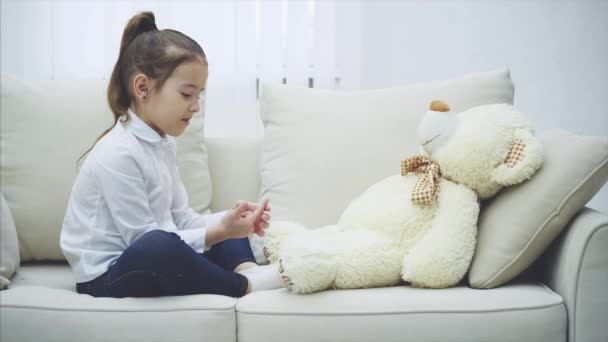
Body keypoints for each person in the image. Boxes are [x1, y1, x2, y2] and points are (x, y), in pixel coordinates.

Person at [60, 11, 283, 298]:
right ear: (143, 87)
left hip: (155, 251)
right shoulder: (118, 154)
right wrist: (216, 232)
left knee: (222, 221)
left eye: (199, 95)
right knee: (158, 246)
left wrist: (229, 223)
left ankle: (248, 271)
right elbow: (141, 240)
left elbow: (183, 219)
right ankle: (244, 286)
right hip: (109, 274)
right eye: (187, 94)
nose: (195, 107)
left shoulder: (162, 144)